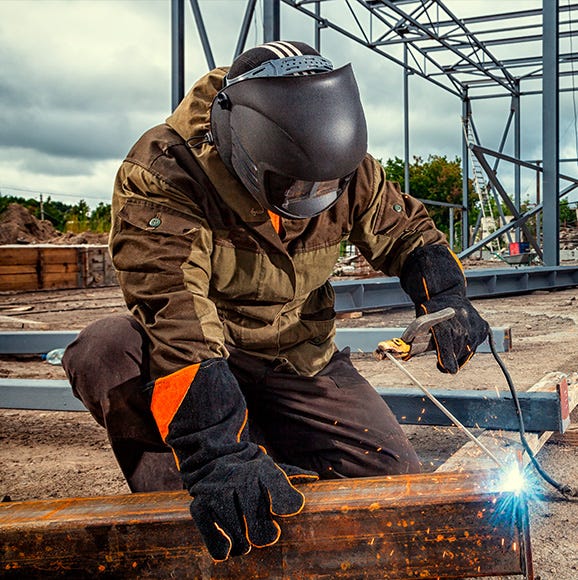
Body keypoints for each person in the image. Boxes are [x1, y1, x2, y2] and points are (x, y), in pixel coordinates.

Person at [63, 41, 488, 562]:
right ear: (244, 146)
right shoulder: (164, 173)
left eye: (323, 186)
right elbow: (176, 319)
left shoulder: (341, 162)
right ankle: (181, 500)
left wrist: (445, 294)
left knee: (391, 478)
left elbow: (407, 233)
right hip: (203, 351)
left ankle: (264, 439)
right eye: (292, 187)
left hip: (296, 355)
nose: (308, 201)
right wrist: (216, 452)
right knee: (105, 349)